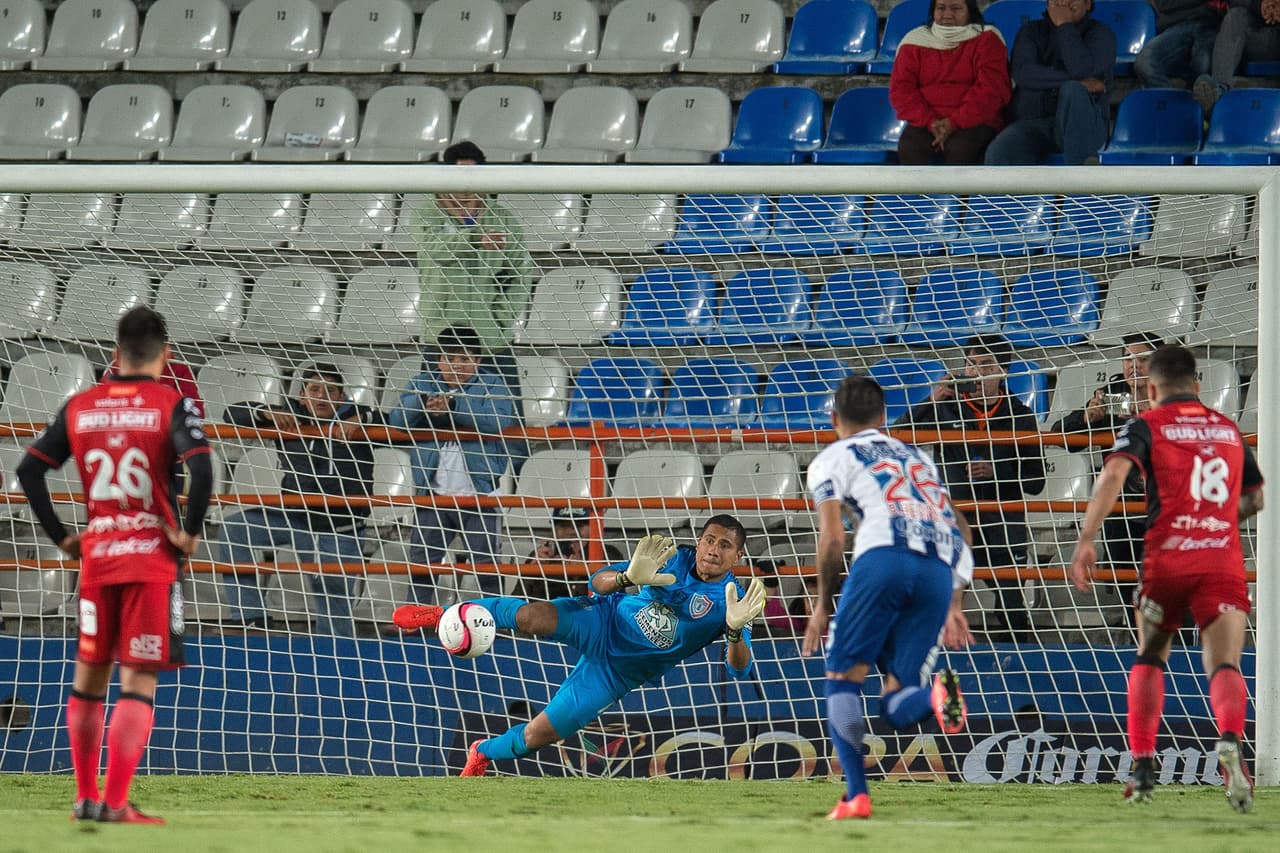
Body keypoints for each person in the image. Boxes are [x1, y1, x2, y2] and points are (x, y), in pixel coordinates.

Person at [15, 306, 212, 825]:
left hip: (97, 560)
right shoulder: (170, 403)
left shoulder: (81, 405)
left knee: (88, 679)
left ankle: (84, 797)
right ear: (165, 355)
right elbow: (203, 467)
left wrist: (62, 538)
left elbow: (28, 472)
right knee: (138, 679)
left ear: (114, 353)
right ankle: (117, 802)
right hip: (151, 561)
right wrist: (187, 532)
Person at [391, 516, 767, 776]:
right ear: (699, 540)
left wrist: (735, 630)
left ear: (738, 556)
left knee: (542, 735)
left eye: (726, 545)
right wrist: (626, 577)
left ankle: (482, 752)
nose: (713, 550)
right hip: (601, 620)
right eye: (709, 540)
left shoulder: (734, 600)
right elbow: (596, 581)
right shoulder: (672, 555)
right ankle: (440, 615)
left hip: (618, 673)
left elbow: (738, 668)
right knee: (532, 617)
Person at [1069, 345, 1262, 811]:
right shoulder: (1228, 428)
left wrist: (1087, 537)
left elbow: (1114, 473)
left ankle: (1141, 763)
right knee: (1224, 666)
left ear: (1151, 388)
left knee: (1151, 656)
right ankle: (1231, 741)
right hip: (1220, 559)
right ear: (1197, 386)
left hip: (1168, 559)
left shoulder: (1146, 424)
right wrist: (1215, 520)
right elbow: (1255, 499)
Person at [802, 375, 974, 821]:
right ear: (883, 419)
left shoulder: (831, 458)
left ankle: (856, 796)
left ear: (834, 418)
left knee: (843, 678)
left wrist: (822, 604)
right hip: (938, 570)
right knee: (898, 699)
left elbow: (833, 539)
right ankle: (936, 696)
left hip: (882, 560)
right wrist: (955, 601)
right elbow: (959, 523)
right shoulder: (917, 456)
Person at [894, 335, 1045, 641]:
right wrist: (932, 399)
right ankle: (933, 657)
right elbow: (896, 438)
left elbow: (1035, 481)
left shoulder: (1020, 415)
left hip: (1002, 517)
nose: (975, 372)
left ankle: (1020, 660)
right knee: (939, 594)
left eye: (985, 364)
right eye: (970, 364)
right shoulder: (946, 408)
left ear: (1002, 370)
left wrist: (997, 471)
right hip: (955, 517)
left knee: (1011, 598)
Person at [219, 363, 383, 637]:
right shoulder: (287, 415)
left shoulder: (359, 419)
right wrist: (264, 411)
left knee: (335, 610)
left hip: (341, 529)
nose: (322, 396)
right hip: (293, 519)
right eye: (315, 389)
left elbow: (400, 422)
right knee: (235, 529)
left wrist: (363, 419)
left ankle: (337, 661)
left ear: (342, 398)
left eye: (331, 390)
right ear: (302, 395)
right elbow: (231, 413)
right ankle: (251, 618)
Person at [389, 326, 518, 604]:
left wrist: (454, 405)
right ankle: (416, 619)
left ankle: (497, 617)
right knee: (422, 563)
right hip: (432, 494)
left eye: (464, 359)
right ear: (438, 360)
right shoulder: (422, 384)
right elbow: (397, 421)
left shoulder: (493, 384)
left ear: (477, 360)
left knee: (486, 565)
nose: (455, 365)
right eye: (449, 358)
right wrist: (423, 404)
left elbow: (497, 421)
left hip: (479, 494)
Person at [1050, 332, 1165, 611]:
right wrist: (1087, 417)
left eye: (1142, 358)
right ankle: (1138, 647)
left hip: (1165, 510)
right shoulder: (1110, 395)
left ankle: (1177, 649)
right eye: (1127, 358)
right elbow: (1059, 437)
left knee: (1166, 589)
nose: (1132, 365)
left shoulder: (1173, 396)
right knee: (1129, 590)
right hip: (1121, 513)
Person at [412, 140, 536, 396]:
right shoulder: (426, 214)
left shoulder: (502, 219)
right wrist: (476, 238)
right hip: (441, 339)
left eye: (474, 173)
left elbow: (521, 272)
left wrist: (500, 316)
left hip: (491, 340)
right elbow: (435, 249)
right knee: (435, 419)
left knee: (505, 424)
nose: (468, 184)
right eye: (461, 174)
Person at [984, 0, 1116, 166]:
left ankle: (1084, 182)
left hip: (1084, 124)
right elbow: (1024, 73)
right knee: (1002, 149)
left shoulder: (1101, 34)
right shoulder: (1031, 31)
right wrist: (1071, 80)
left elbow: (1082, 70)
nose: (1063, 3)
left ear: (1088, 4)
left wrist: (1064, 26)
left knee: (1073, 90)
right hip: (1034, 123)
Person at [889, 0, 1011, 165]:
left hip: (976, 120)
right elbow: (901, 91)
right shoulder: (914, 42)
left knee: (961, 149)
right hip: (926, 122)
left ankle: (958, 193)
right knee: (910, 147)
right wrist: (930, 122)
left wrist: (954, 122)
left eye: (956, 8)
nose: (947, 15)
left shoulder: (987, 39)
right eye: (941, 8)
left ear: (970, 11)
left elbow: (992, 90)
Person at [520, 506, 625, 600]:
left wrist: (581, 576)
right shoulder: (541, 555)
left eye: (579, 525)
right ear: (553, 529)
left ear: (592, 527)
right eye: (564, 526)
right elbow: (518, 600)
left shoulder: (607, 555)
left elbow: (616, 601)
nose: (571, 532)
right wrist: (532, 574)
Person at [1193, 0, 1280, 113]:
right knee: (1235, 16)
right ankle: (1217, 91)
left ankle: (1237, 87)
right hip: (1261, 32)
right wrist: (1260, 5)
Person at [1135, 0, 1225, 89]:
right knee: (1144, 62)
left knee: (1202, 66)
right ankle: (1170, 102)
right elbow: (1163, 4)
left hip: (1211, 26)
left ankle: (1196, 99)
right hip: (1176, 27)